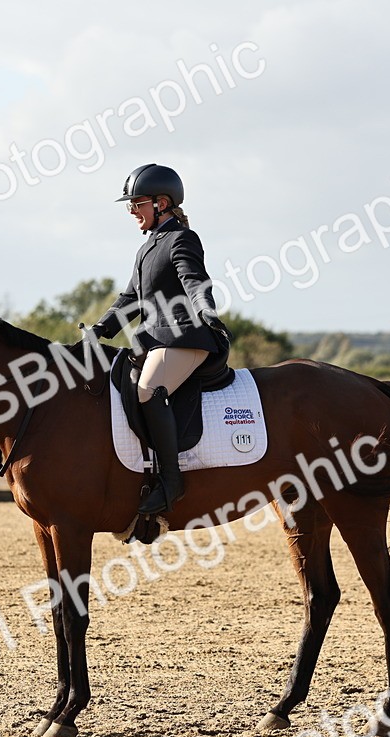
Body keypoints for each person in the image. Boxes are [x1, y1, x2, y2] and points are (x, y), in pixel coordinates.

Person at [88, 164, 231, 516]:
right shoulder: (147, 248)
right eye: (130, 205)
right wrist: (100, 330)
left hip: (185, 337)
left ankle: (171, 480)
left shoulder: (182, 238)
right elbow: (131, 299)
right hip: (154, 341)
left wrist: (206, 310)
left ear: (162, 203)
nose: (132, 211)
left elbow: (195, 282)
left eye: (137, 203)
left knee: (148, 390)